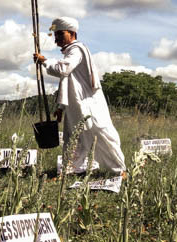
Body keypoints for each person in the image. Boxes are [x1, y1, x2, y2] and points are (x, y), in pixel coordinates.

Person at [34, 17, 127, 180]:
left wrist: (45, 61)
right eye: (55, 35)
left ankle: (119, 169)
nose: (57, 39)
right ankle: (70, 170)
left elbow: (63, 69)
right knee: (72, 138)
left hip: (88, 102)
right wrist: (61, 107)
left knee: (101, 132)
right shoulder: (70, 51)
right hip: (75, 104)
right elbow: (68, 81)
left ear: (72, 33)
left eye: (60, 34)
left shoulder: (76, 50)